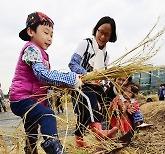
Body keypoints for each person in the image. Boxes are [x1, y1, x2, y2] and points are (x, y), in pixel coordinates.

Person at [9, 11, 82, 154]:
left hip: (33, 100)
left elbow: (46, 82)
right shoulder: (31, 49)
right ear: (31, 31)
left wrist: (64, 86)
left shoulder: (42, 54)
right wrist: (71, 78)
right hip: (22, 98)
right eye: (46, 32)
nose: (49, 38)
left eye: (51, 35)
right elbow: (43, 74)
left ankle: (31, 150)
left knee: (31, 130)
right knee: (47, 115)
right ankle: (53, 147)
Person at [68, 16, 118, 147]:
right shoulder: (85, 44)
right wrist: (88, 74)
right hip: (79, 84)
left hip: (95, 86)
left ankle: (80, 141)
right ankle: (98, 132)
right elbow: (72, 64)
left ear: (111, 36)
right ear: (96, 30)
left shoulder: (106, 55)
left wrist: (107, 80)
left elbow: (103, 75)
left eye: (107, 34)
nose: (102, 36)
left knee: (101, 102)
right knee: (90, 100)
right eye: (100, 31)